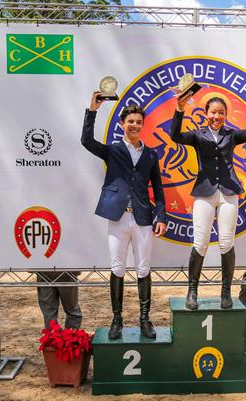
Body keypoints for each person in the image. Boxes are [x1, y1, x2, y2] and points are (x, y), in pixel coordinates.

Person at [171, 88, 246, 310]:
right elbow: (175, 136)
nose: (216, 116)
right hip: (204, 193)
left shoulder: (232, 135)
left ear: (225, 115)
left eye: (221, 113)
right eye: (213, 112)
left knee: (227, 242)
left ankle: (226, 291)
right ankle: (192, 290)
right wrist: (179, 109)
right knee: (200, 242)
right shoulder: (197, 135)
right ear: (206, 113)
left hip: (228, 193)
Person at [81, 91, 167, 340]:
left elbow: (158, 188)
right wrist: (92, 110)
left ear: (143, 125)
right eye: (130, 121)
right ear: (122, 124)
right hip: (118, 218)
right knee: (117, 267)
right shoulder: (113, 150)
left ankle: (145, 319)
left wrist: (161, 216)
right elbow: (87, 141)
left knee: (143, 268)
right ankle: (117, 319)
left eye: (138, 122)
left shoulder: (151, 154)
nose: (135, 125)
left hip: (142, 218)